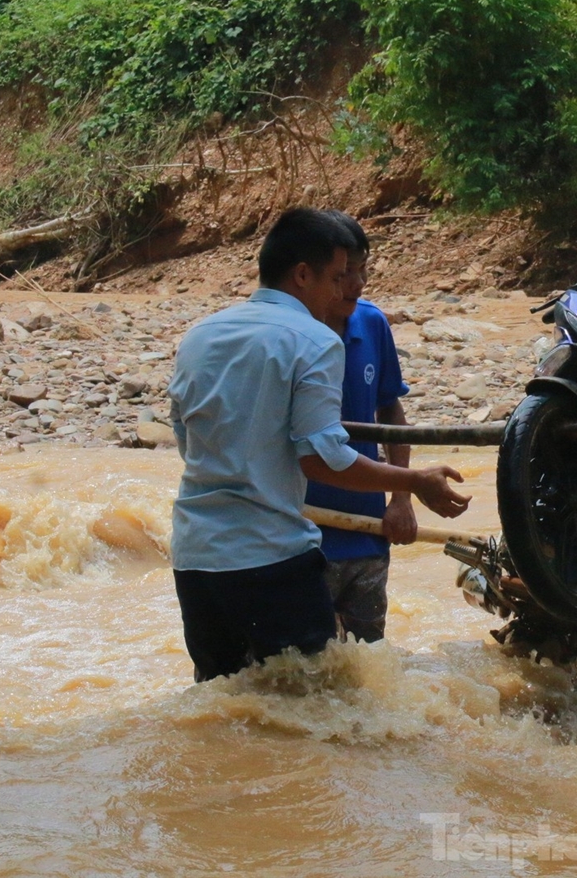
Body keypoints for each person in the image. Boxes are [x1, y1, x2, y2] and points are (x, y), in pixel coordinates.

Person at [166, 208, 470, 682]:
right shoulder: (314, 340)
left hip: (196, 561)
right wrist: (413, 481)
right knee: (313, 715)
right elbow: (322, 459)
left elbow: (187, 438)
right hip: (271, 560)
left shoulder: (201, 335)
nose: (341, 291)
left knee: (223, 706)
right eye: (335, 277)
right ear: (302, 275)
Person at [304, 211, 415, 642]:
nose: (357, 283)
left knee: (367, 666)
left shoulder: (371, 323)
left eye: (363, 270)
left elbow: (391, 412)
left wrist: (402, 497)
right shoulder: (288, 337)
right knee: (307, 668)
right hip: (301, 536)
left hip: (368, 532)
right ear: (310, 277)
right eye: (345, 273)